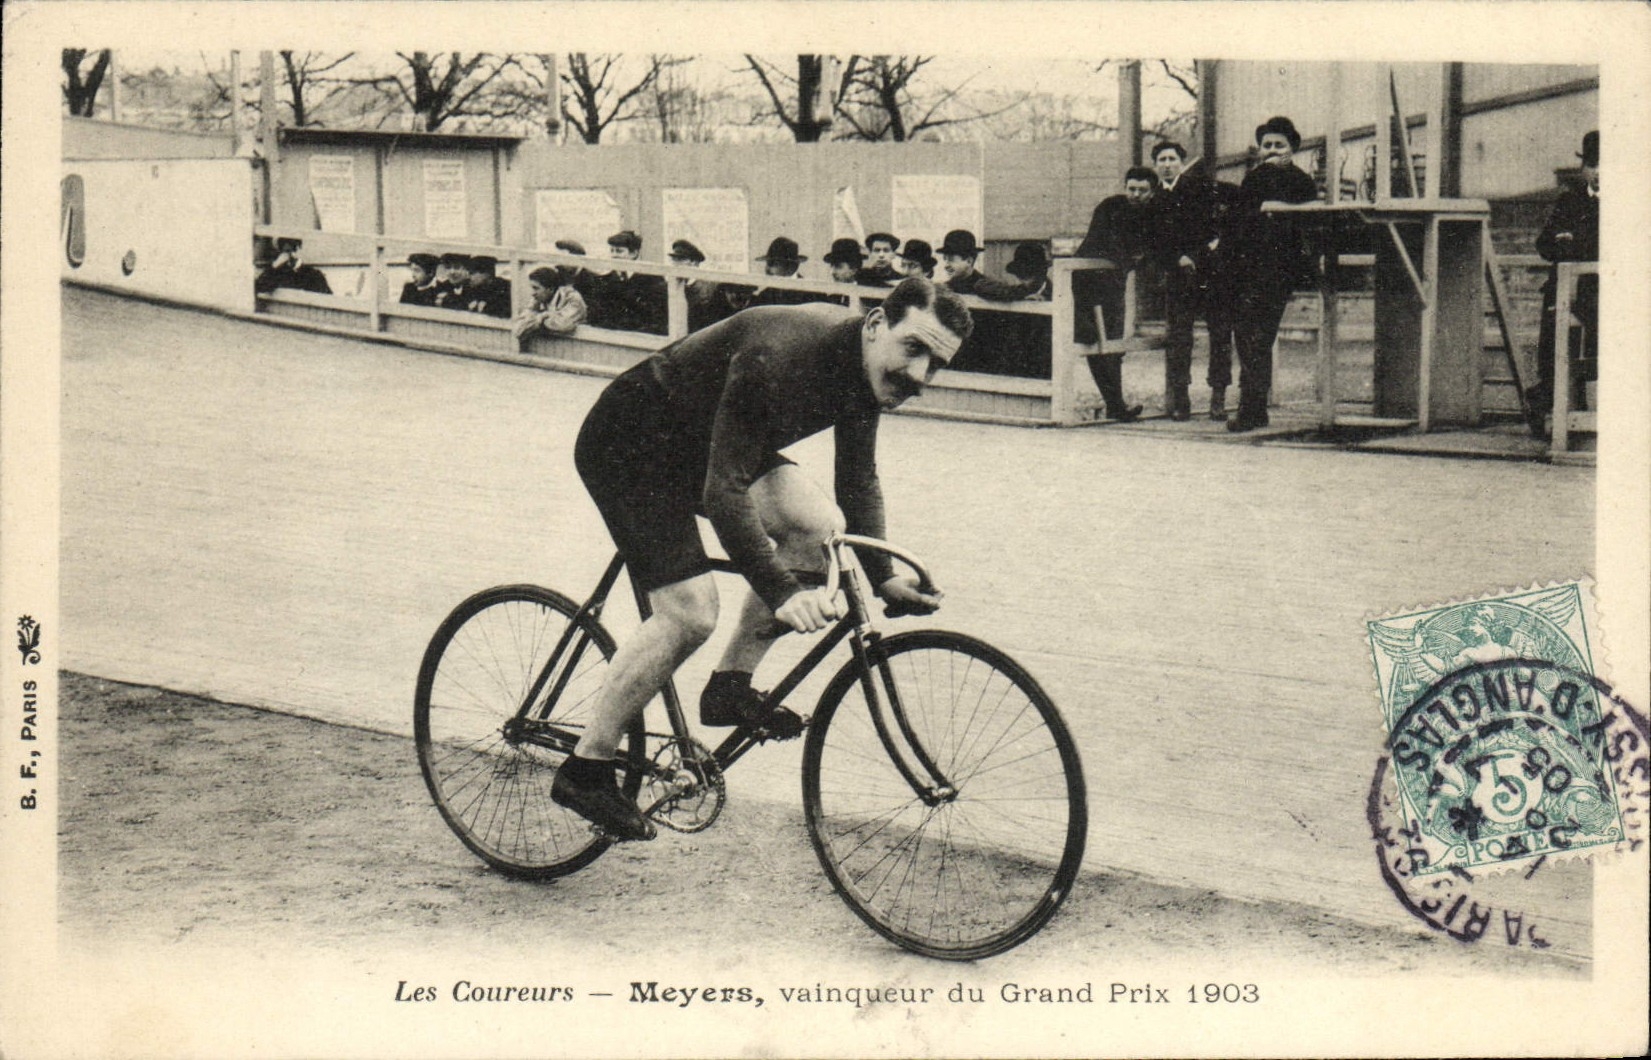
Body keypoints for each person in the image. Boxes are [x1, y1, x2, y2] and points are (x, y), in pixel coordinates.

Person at [555, 277, 968, 839]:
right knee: (690, 613)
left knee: (822, 530)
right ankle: (587, 767)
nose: (919, 375)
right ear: (875, 325)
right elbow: (723, 492)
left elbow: (857, 478)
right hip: (632, 442)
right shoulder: (784, 355)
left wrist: (883, 579)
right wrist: (783, 591)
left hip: (704, 443)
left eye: (935, 364)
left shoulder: (864, 369)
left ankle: (729, 687)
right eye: (913, 349)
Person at [1225, 115, 1319, 432]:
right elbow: (1239, 220)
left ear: (1292, 148)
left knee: (1259, 338)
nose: (1272, 150)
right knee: (1247, 336)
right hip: (1246, 268)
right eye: (1267, 145)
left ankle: (1250, 408)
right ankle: (1254, 407)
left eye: (1279, 145)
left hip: (1278, 270)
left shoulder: (1302, 182)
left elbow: (1304, 226)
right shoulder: (1253, 179)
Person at [1072, 166, 1159, 421]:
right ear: (1125, 187)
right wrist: (1133, 258)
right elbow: (1104, 243)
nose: (1135, 194)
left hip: (1114, 284)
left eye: (1142, 190)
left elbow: (1151, 247)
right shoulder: (1110, 207)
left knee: (1114, 344)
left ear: (1152, 192)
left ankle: (1115, 404)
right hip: (1087, 281)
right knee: (1095, 341)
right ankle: (1115, 404)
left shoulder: (1153, 213)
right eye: (1131, 188)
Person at [1150, 141, 1229, 421]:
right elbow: (1154, 243)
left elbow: (1212, 229)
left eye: (1172, 159)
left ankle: (1218, 397)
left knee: (1220, 334)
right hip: (1177, 277)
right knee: (1180, 339)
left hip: (1209, 272)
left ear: (1181, 163)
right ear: (1156, 165)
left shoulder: (1199, 189)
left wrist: (1195, 256)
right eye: (1162, 159)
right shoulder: (1154, 199)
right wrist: (1176, 260)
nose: (1167, 164)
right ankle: (1181, 400)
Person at [1527, 130, 1599, 430]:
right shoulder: (1570, 201)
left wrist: (1574, 241)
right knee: (1555, 327)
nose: (1599, 172)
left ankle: (1583, 400)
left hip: (1599, 291)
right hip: (1568, 291)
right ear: (1584, 169)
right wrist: (1566, 244)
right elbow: (1544, 244)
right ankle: (1548, 400)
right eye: (1593, 165)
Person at [512, 265, 587, 346]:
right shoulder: (537, 299)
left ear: (550, 289)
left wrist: (539, 318)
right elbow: (517, 329)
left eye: (536, 288)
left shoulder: (571, 297)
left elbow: (563, 324)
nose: (532, 293)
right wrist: (543, 318)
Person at [748, 236, 819, 307]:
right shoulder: (765, 295)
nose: (767, 269)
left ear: (791, 266)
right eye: (767, 263)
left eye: (773, 264)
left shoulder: (810, 294)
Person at [254, 237, 332, 295]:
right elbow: (258, 287)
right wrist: (275, 266)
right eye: (285, 252)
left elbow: (328, 297)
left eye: (291, 250)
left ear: (298, 249)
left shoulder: (314, 274)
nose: (289, 256)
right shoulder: (278, 274)